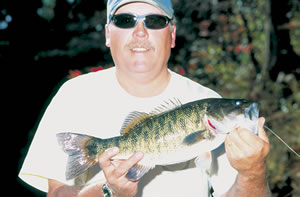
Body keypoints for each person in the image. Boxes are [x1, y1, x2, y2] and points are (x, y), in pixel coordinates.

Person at [18, 0, 270, 196]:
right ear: (108, 34)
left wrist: (252, 173)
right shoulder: (73, 96)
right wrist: (110, 190)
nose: (140, 32)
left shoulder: (206, 98)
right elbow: (58, 195)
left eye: (155, 21)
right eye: (125, 20)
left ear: (171, 34)